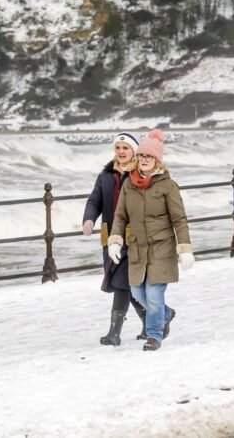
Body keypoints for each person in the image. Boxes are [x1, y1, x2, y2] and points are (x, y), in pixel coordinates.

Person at [108, 129, 193, 351]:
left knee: (154, 294)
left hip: (161, 249)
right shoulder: (129, 184)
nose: (145, 160)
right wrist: (115, 240)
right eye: (142, 156)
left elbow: (179, 219)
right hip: (137, 249)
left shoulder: (167, 185)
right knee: (137, 292)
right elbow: (120, 215)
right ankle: (166, 314)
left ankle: (154, 336)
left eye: (150, 157)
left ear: (157, 161)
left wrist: (185, 249)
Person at [83, 131, 146, 346]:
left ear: (134, 151)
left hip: (136, 238)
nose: (120, 152)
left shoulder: (141, 174)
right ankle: (157, 319)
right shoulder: (106, 176)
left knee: (123, 283)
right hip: (111, 239)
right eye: (118, 148)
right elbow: (94, 201)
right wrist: (89, 219)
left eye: (125, 148)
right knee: (128, 285)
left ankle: (114, 333)